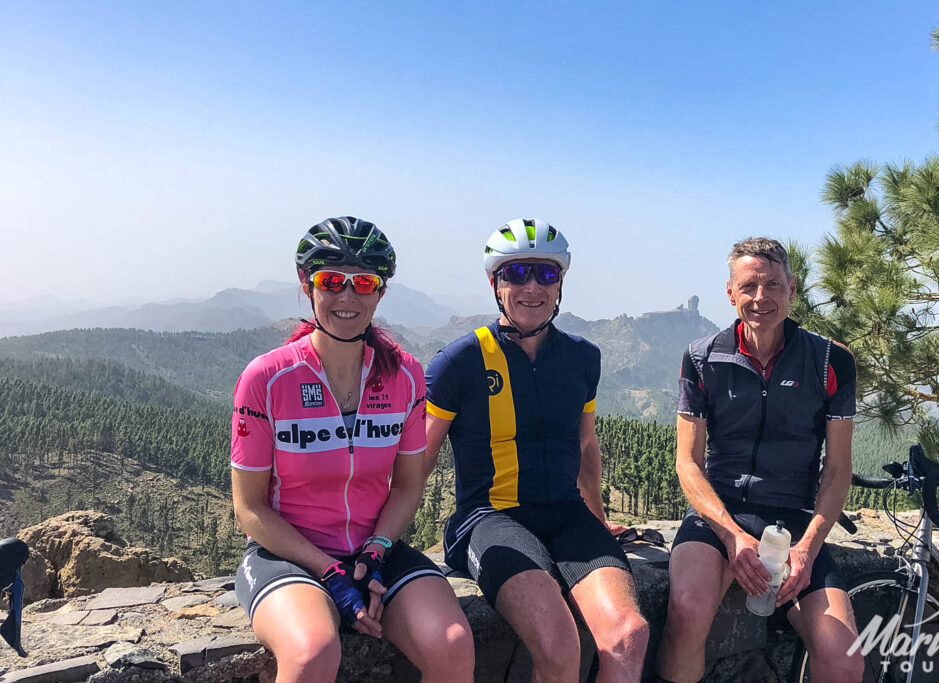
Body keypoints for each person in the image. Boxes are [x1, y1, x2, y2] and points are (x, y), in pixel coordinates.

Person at [231, 217, 474, 683]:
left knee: (453, 646)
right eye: (331, 282)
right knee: (312, 654)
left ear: (380, 293)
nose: (348, 297)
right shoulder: (266, 378)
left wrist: (376, 551)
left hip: (373, 548)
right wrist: (329, 572)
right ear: (307, 286)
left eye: (364, 282)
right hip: (289, 554)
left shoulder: (404, 376)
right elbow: (249, 507)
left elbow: (406, 484)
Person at [424, 219, 649, 683]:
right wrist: (381, 544)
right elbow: (418, 462)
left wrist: (598, 515)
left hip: (567, 514)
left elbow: (585, 443)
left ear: (561, 282)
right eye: (516, 274)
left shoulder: (583, 358)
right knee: (558, 643)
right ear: (494, 283)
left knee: (629, 636)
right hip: (490, 518)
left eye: (546, 275)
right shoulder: (459, 362)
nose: (532, 287)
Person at [655, 237, 863, 683]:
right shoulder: (701, 357)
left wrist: (807, 549)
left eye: (772, 285)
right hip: (719, 514)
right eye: (749, 286)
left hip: (795, 519)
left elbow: (838, 468)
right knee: (687, 612)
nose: (760, 298)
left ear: (792, 288)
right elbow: (688, 463)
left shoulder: (831, 360)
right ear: (730, 292)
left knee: (843, 658)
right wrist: (732, 538)